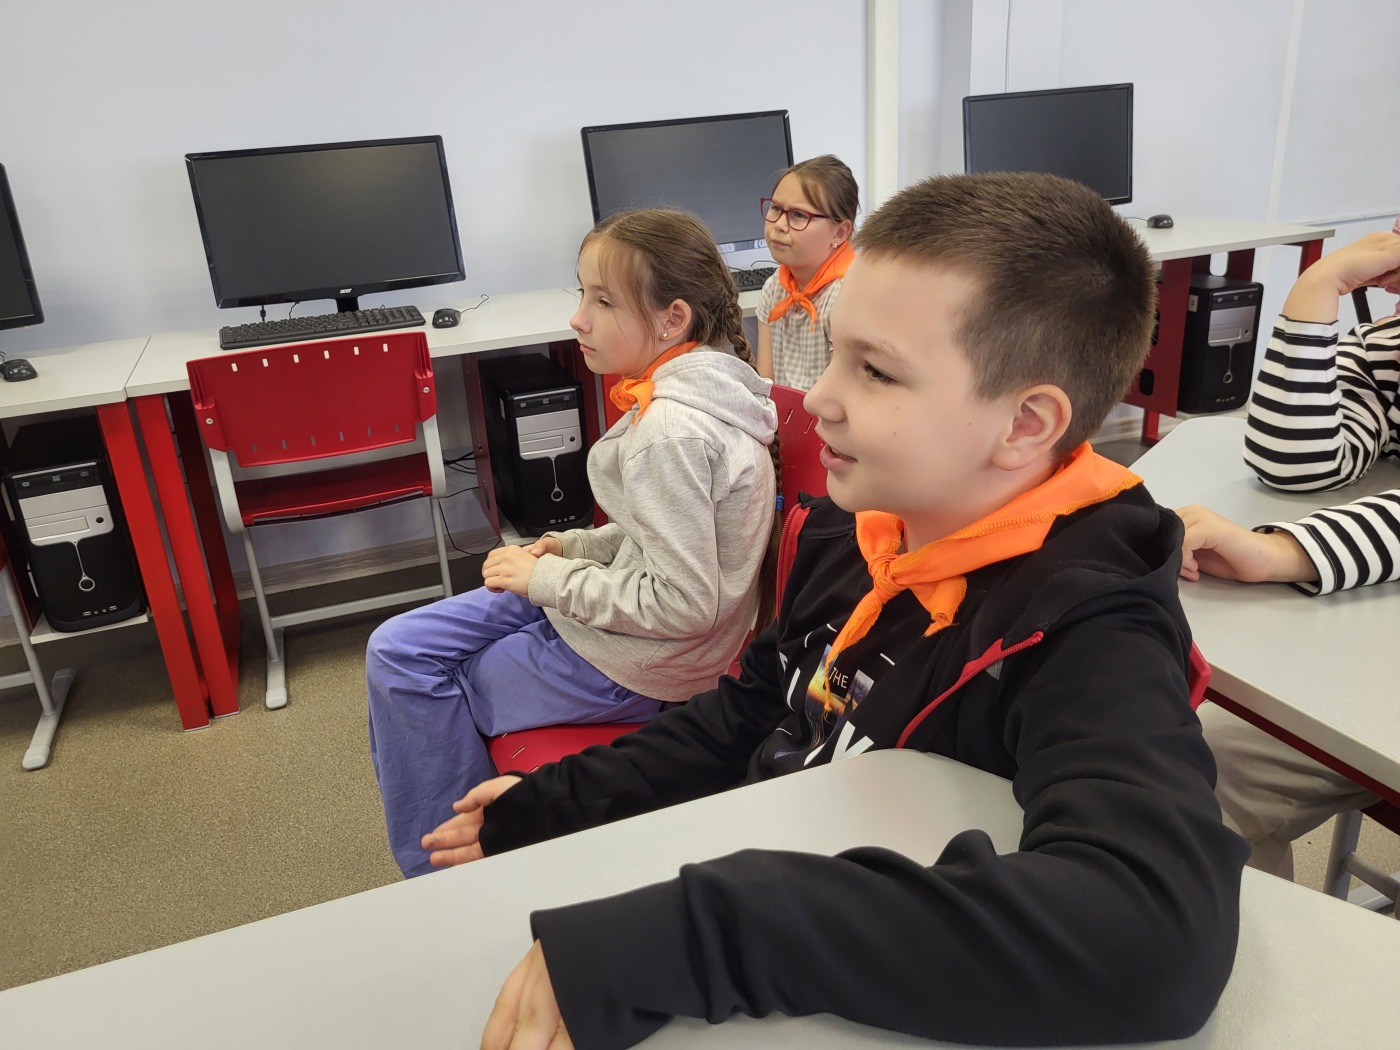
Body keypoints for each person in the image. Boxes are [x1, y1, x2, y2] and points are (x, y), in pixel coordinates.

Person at [429, 172, 1247, 1050]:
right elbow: (751, 711)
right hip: (792, 889)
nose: (817, 398)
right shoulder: (859, 532)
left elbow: (1154, 937)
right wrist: (558, 801)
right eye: (836, 352)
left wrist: (703, 933)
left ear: (1024, 424)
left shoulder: (1088, 626)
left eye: (876, 370)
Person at [367, 208, 779, 878]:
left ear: (672, 320)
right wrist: (573, 548)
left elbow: (684, 604)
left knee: (426, 687)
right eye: (582, 294)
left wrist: (545, 583)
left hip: (640, 662)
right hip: (611, 618)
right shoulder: (694, 392)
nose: (578, 319)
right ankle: (455, 854)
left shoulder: (670, 433)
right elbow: (659, 535)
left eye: (602, 302)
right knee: (397, 650)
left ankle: (454, 873)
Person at [1180, 227, 1400, 879]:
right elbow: (1295, 463)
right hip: (1369, 675)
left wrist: (1284, 552)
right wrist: (1317, 288)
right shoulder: (1388, 347)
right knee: (1189, 770)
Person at [754, 154, 858, 390]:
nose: (779, 225)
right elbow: (766, 384)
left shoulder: (847, 297)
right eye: (776, 208)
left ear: (840, 233)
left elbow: (842, 395)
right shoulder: (774, 287)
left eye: (799, 215)